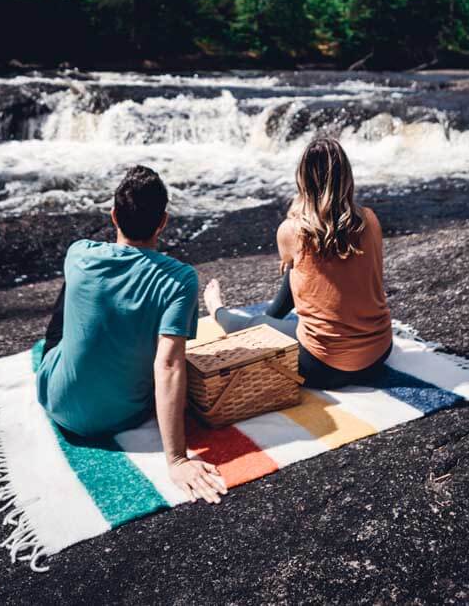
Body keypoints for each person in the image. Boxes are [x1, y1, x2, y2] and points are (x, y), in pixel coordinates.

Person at [36, 164, 227, 505]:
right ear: (163, 221)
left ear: (113, 216)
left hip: (57, 400)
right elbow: (168, 366)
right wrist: (178, 459)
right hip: (122, 415)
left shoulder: (78, 253)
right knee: (161, 337)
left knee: (77, 297)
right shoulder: (180, 279)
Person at [203, 136, 393, 389]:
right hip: (379, 354)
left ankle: (218, 310)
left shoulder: (291, 231)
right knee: (301, 271)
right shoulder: (370, 219)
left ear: (302, 179)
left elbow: (293, 275)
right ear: (347, 177)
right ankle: (269, 319)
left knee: (257, 325)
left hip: (323, 367)